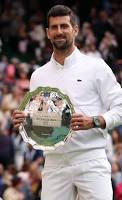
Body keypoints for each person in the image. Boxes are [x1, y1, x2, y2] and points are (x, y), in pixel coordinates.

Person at [12, 5, 122, 200]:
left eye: (64, 26)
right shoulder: (38, 75)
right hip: (54, 163)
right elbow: (42, 122)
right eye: (54, 27)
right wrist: (25, 121)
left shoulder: (96, 67)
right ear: (47, 33)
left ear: (75, 30)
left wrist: (95, 121)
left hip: (91, 158)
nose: (59, 31)